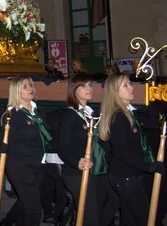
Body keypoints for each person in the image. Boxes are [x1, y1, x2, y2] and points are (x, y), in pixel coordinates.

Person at [98, 72, 165, 226]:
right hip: (125, 177)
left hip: (128, 174)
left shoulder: (128, 112)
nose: (131, 87)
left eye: (130, 83)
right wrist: (148, 166)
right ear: (115, 92)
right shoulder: (120, 117)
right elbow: (121, 152)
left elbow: (153, 123)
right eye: (125, 85)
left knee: (129, 219)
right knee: (144, 219)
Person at [58, 72, 116, 226]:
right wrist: (77, 162)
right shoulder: (69, 115)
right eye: (83, 86)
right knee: (90, 216)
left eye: (90, 85)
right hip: (76, 172)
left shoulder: (91, 113)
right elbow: (62, 148)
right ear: (74, 89)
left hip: (95, 170)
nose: (88, 88)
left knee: (105, 205)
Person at [0, 76, 55, 226]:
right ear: (16, 91)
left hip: (37, 164)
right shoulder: (12, 115)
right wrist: (0, 147)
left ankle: (6, 223)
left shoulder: (37, 112)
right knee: (34, 210)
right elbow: (2, 142)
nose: (30, 88)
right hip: (20, 166)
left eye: (30, 85)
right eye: (25, 86)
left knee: (24, 205)